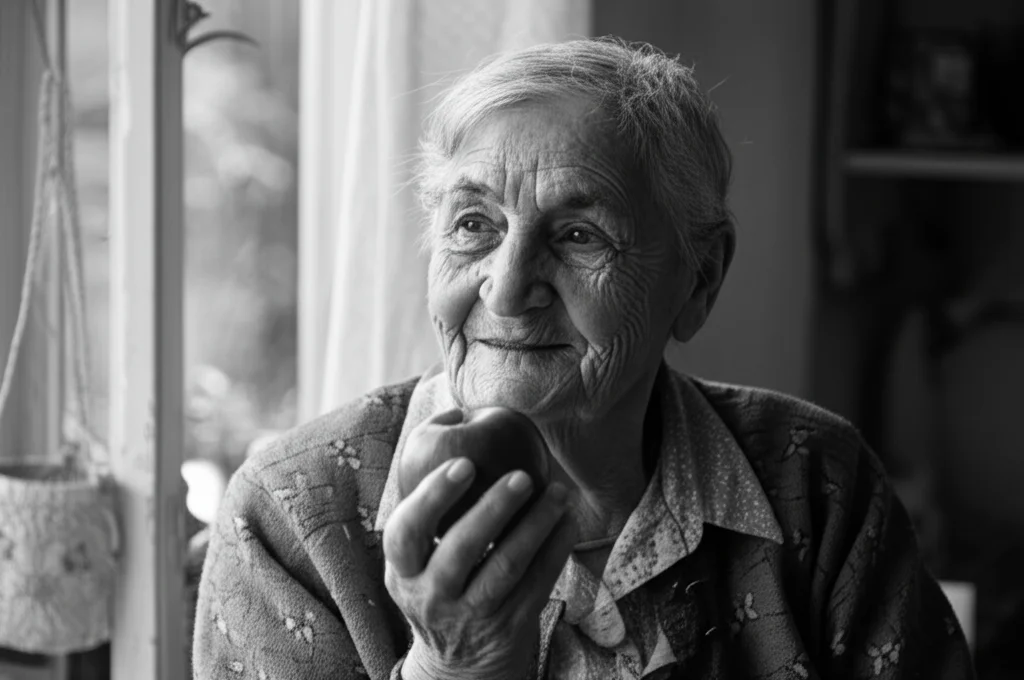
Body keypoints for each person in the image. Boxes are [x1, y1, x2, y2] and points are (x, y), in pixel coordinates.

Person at [192, 38, 974, 679]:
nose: (506, 290)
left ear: (699, 280)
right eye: (473, 224)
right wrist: (453, 665)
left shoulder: (817, 485)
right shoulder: (293, 522)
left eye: (577, 236)